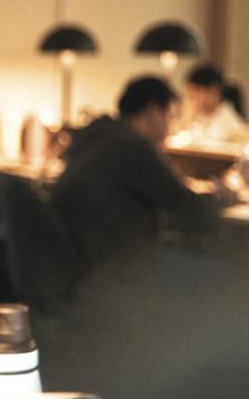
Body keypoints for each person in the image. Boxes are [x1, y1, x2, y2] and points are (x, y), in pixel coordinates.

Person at [50, 75, 225, 273]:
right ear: (153, 112)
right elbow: (189, 209)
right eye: (170, 116)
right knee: (222, 272)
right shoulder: (133, 148)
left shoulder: (95, 135)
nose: (171, 127)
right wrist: (224, 196)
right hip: (112, 267)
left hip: (76, 260)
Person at [180, 62, 246, 143]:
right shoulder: (198, 116)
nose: (191, 100)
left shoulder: (229, 120)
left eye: (194, 95)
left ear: (213, 91)